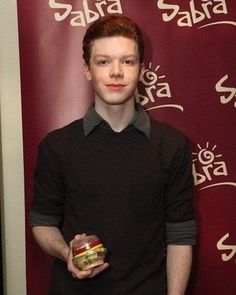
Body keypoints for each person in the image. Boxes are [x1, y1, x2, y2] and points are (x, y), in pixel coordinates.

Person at [29, 15, 197, 295]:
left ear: (141, 70)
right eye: (103, 61)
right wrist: (64, 252)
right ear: (87, 69)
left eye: (127, 61)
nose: (116, 72)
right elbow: (42, 222)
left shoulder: (173, 145)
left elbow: (180, 236)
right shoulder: (57, 145)